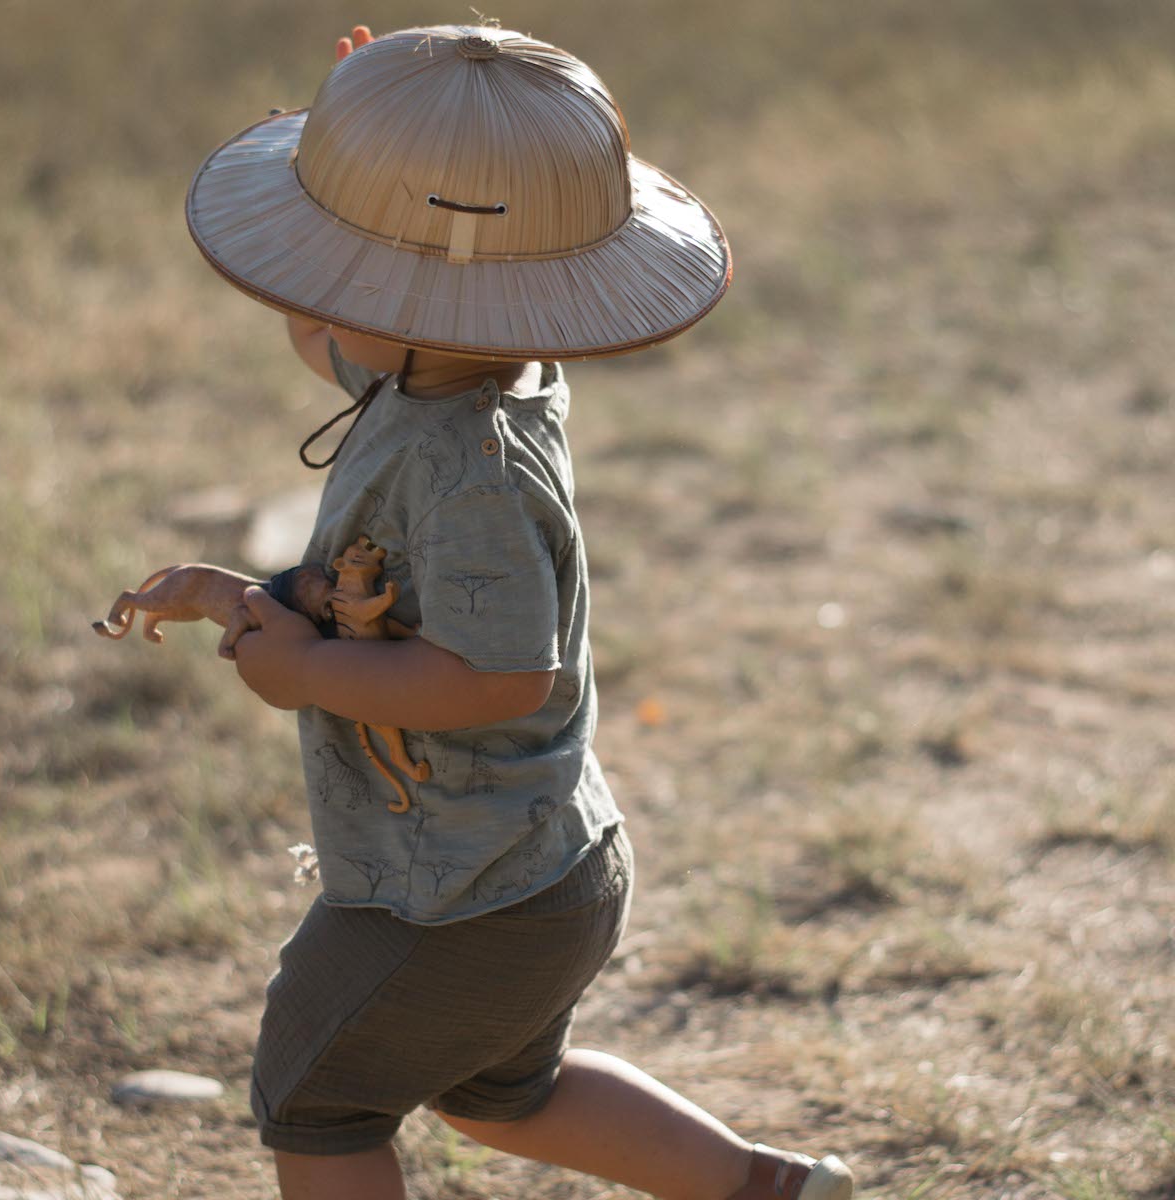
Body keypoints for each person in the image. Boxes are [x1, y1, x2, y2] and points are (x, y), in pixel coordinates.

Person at [184, 22, 855, 1200]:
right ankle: (769, 1191)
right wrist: (355, 136)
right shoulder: (456, 371)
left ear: (394, 298)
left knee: (317, 1102)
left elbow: (497, 681)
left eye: (347, 274)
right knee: (507, 1096)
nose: (323, 309)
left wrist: (306, 673)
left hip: (459, 894)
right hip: (542, 868)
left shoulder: (472, 473)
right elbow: (322, 320)